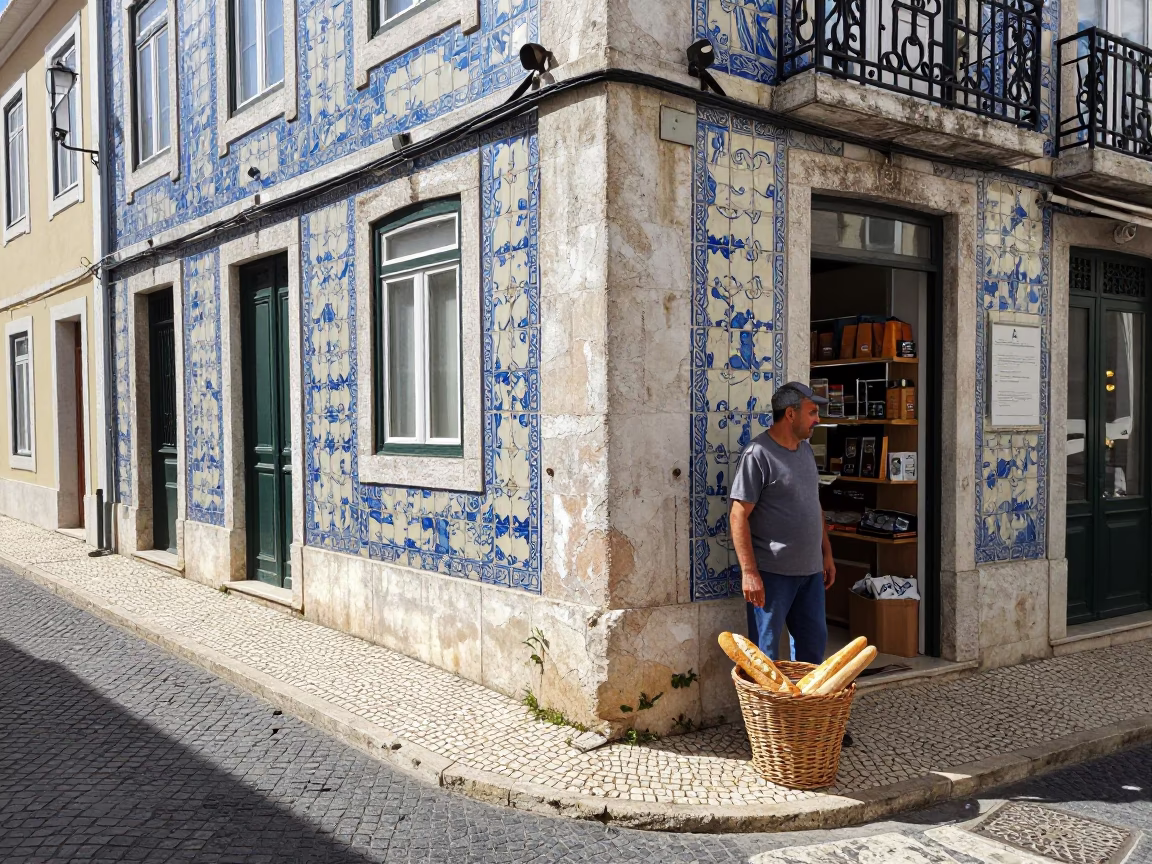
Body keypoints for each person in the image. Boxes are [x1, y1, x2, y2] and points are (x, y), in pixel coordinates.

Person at [729, 382, 835, 664]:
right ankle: (763, 710)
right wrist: (749, 573)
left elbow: (815, 505)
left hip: (810, 574)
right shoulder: (758, 454)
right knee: (764, 658)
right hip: (772, 577)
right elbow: (738, 515)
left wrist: (826, 553)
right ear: (790, 414)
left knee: (812, 652)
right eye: (812, 412)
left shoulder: (806, 451)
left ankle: (803, 709)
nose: (817, 419)